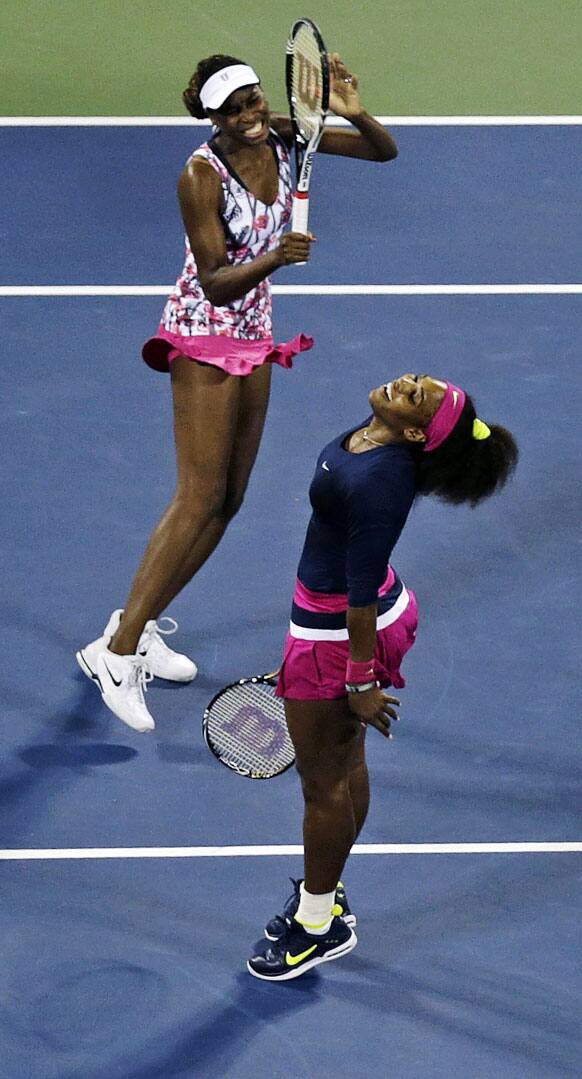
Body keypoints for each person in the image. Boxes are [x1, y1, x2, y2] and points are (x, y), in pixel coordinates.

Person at [76, 52, 398, 732]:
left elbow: (382, 152)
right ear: (212, 119)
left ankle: (134, 620)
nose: (252, 115)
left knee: (229, 501)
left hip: (255, 330)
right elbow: (217, 279)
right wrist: (278, 255)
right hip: (204, 331)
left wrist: (350, 111)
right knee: (196, 497)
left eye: (256, 101)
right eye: (237, 109)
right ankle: (117, 652)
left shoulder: (281, 132)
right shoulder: (199, 175)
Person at [247, 372, 518, 980]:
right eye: (420, 380)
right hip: (330, 629)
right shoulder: (369, 441)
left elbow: (359, 594)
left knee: (324, 787)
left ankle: (316, 924)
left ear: (415, 432)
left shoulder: (380, 482)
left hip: (346, 634)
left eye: (415, 395)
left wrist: (358, 680)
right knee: (345, 766)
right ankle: (327, 893)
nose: (407, 382)